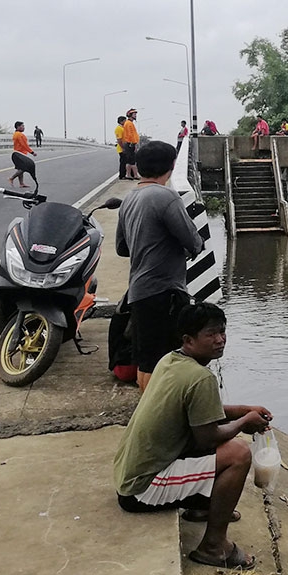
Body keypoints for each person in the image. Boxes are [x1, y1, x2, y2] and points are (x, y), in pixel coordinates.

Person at [112, 301, 272, 570]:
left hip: (128, 476)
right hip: (141, 490)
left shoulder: (171, 360)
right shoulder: (200, 378)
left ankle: (202, 506)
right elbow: (208, 438)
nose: (220, 340)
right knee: (238, 454)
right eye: (211, 334)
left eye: (222, 332)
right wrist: (245, 421)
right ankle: (213, 547)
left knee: (225, 445)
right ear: (188, 339)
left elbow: (201, 412)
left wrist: (244, 410)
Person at [116, 140, 205, 391]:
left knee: (146, 361)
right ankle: (156, 420)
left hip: (139, 291)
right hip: (164, 293)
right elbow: (193, 241)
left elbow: (122, 249)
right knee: (165, 362)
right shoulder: (166, 196)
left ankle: (148, 417)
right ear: (172, 165)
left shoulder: (129, 199)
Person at [8, 121, 39, 190]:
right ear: (18, 127)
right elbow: (24, 145)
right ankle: (11, 178)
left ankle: (21, 183)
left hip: (17, 153)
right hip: (19, 153)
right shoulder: (19, 135)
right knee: (24, 168)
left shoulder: (16, 134)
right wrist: (32, 152)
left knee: (20, 168)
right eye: (22, 126)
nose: (24, 127)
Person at [121, 108, 141, 180]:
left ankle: (128, 174)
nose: (135, 116)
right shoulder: (129, 123)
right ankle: (135, 175)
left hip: (129, 143)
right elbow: (131, 134)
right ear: (130, 115)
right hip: (130, 144)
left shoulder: (129, 123)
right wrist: (134, 143)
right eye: (134, 114)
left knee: (129, 161)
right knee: (133, 161)